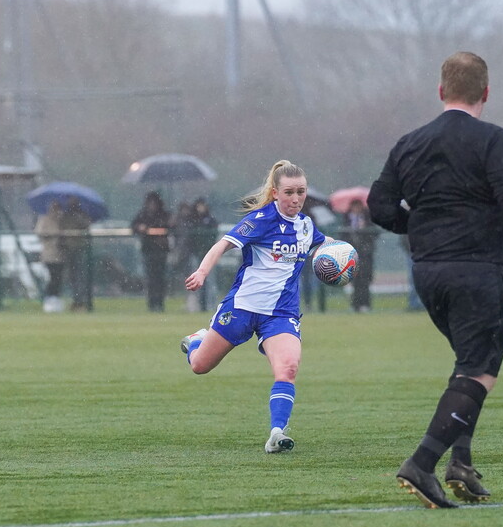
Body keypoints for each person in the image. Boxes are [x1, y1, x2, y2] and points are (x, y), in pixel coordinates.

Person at [368, 51, 503, 509]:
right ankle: (422, 463)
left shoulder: (410, 142)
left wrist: (418, 226)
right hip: (475, 270)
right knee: (480, 369)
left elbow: (378, 205)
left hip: (429, 273)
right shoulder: (492, 139)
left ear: (441, 91)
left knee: (470, 364)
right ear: (486, 94)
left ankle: (462, 462)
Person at [178, 160, 331, 454]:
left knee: (288, 367)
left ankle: (277, 434)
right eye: (289, 192)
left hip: (281, 314)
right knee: (200, 366)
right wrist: (202, 272)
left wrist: (343, 253)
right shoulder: (260, 219)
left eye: (301, 192)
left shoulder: (307, 226)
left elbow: (325, 245)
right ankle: (197, 340)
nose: (296, 199)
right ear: (275, 193)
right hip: (242, 308)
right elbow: (222, 244)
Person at [131, 191, 172, 312]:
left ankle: (160, 303)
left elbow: (170, 226)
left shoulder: (163, 215)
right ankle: (152, 303)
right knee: (151, 279)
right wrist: (140, 227)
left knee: (160, 279)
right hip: (148, 250)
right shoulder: (143, 215)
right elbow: (134, 225)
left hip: (161, 250)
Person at [60, 197, 93, 311]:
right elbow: (62, 228)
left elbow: (87, 225)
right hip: (69, 249)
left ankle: (81, 301)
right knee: (73, 277)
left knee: (80, 276)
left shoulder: (82, 214)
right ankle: (76, 300)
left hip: (80, 248)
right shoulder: (65, 215)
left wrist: (78, 217)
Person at [343, 199, 377, 312]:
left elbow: (374, 234)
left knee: (365, 280)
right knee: (355, 280)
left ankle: (365, 304)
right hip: (351, 254)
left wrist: (364, 229)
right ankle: (355, 305)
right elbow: (343, 235)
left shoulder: (367, 218)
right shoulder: (346, 219)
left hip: (365, 254)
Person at [35, 200, 65, 313]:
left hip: (60, 253)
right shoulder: (45, 218)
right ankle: (50, 299)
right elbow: (39, 233)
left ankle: (55, 298)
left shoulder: (61, 219)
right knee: (53, 277)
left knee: (58, 278)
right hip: (49, 253)